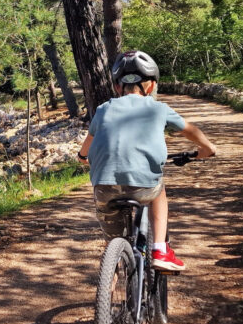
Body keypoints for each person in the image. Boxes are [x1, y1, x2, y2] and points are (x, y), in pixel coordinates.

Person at [77, 51, 217, 271]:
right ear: (151, 86)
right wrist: (208, 149)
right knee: (158, 190)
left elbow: (87, 146)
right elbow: (190, 130)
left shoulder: (104, 110)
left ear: (117, 87)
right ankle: (160, 249)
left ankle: (108, 290)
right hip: (143, 186)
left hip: (104, 187)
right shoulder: (158, 109)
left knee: (112, 243)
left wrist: (83, 158)